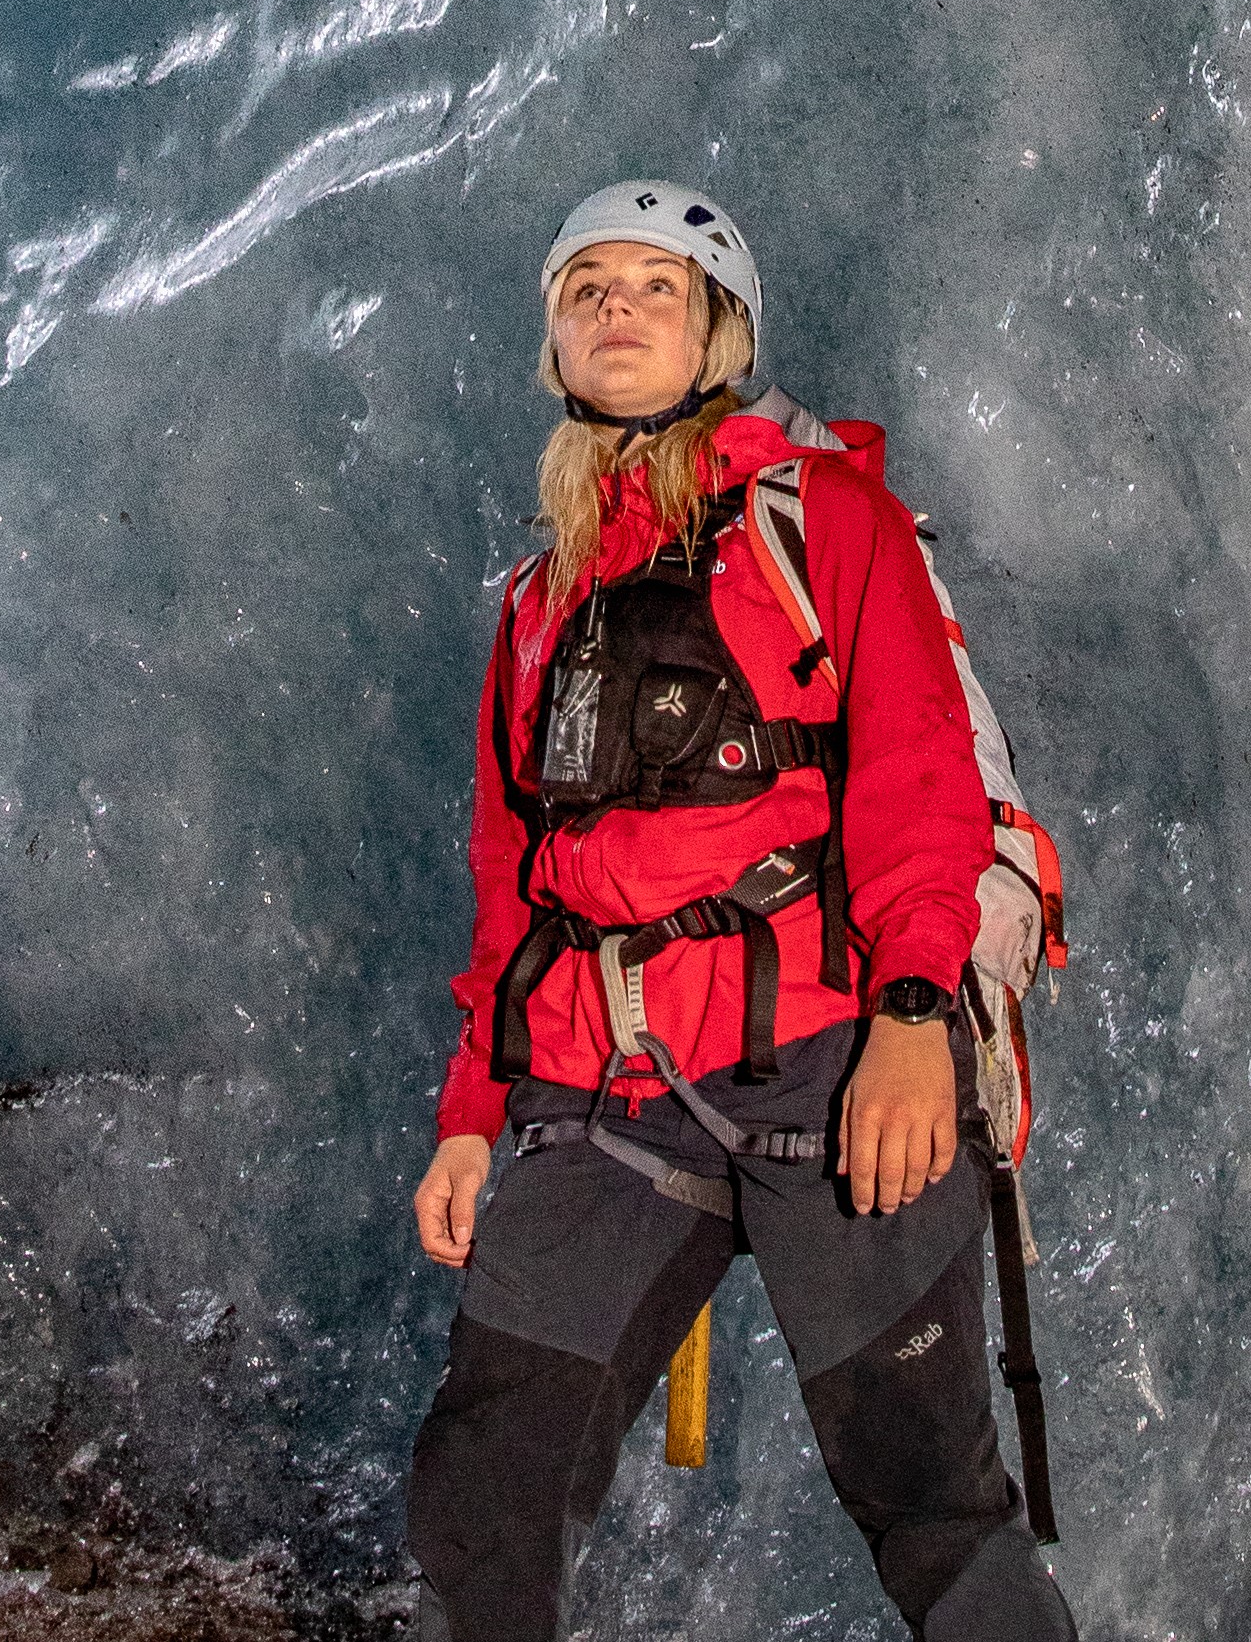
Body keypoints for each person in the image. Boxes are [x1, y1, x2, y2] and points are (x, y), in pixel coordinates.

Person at [403, 180, 1077, 1642]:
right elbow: (513, 884)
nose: (619, 308)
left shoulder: (828, 521)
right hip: (609, 1084)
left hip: (832, 1067)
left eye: (658, 284)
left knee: (933, 1505)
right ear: (556, 344)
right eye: (589, 288)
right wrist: (472, 1110)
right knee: (485, 1488)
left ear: (719, 331)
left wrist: (915, 1021)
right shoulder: (541, 595)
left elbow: (918, 790)